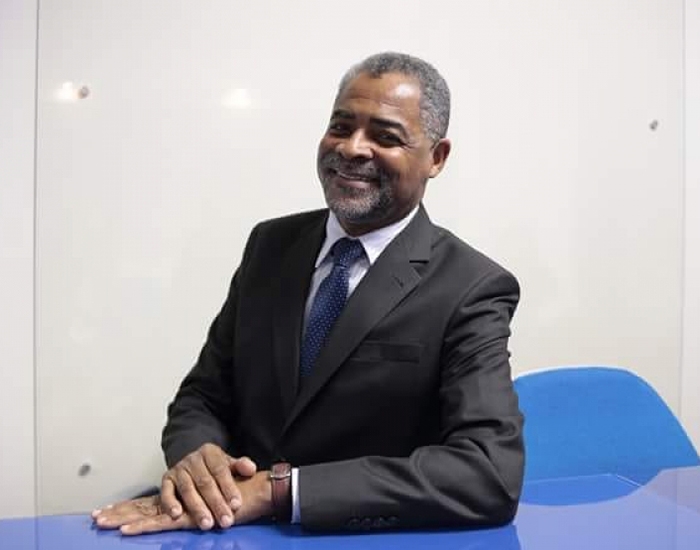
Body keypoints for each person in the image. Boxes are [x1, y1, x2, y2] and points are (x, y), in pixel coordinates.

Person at [93, 51, 524, 536]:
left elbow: (488, 472)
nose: (353, 148)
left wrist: (280, 491)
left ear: (436, 158)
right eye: (341, 126)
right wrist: (201, 464)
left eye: (385, 137)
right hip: (231, 529)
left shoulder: (472, 287)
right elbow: (204, 395)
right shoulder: (270, 245)